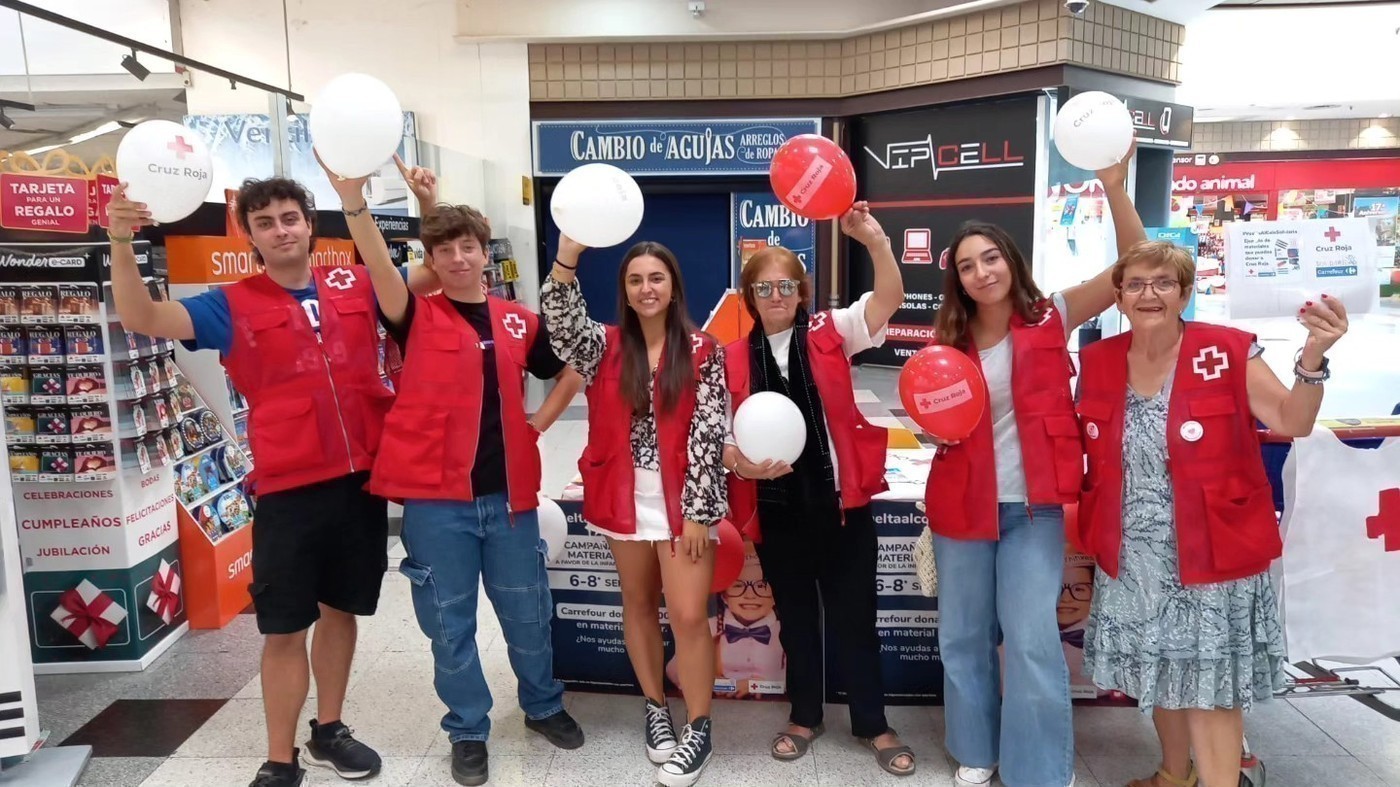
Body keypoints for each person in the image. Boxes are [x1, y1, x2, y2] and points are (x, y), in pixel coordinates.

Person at [107, 176, 438, 787]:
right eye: (266, 222)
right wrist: (122, 242)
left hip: (360, 480)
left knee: (343, 611)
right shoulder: (228, 304)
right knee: (285, 624)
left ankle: (329, 729)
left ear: (310, 223)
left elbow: (429, 276)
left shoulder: (356, 282)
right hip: (287, 488)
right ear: (250, 234)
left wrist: (428, 208)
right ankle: (280, 760)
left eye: (290, 217)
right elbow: (142, 315)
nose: (281, 230)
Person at [324, 159, 585, 787]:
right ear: (433, 260)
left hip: (512, 499)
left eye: (468, 246)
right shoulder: (413, 315)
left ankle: (542, 705)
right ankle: (468, 729)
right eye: (445, 250)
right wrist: (353, 203)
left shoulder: (519, 320)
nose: (459, 258)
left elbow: (574, 363)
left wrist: (538, 423)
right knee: (449, 624)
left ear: (483, 253)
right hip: (436, 506)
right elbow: (383, 269)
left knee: (528, 613)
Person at [1076, 241, 1348, 787]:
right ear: (1119, 297)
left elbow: (1290, 421)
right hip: (1133, 556)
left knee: (1210, 685)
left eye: (1164, 283)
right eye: (1136, 284)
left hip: (1212, 554)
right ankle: (1174, 775)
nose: (1149, 294)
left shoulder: (1225, 350)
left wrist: (1313, 357)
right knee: (1161, 672)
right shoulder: (1100, 360)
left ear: (1184, 292)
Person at [923, 151, 1146, 787]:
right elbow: (935, 418)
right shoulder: (946, 343)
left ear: (1010, 261)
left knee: (1029, 642)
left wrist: (1113, 187)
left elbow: (1135, 266)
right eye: (966, 265)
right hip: (962, 505)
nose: (980, 271)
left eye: (989, 258)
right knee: (962, 638)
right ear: (957, 280)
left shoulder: (1051, 317)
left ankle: (1040, 769)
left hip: (1033, 509)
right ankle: (975, 750)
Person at [721, 204, 912, 775]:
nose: (776, 296)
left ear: (802, 293)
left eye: (786, 286)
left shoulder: (832, 333)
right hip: (778, 513)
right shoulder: (729, 358)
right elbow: (717, 434)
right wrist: (739, 463)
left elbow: (888, 300)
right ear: (749, 296)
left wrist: (875, 241)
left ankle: (873, 723)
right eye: (764, 287)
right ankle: (804, 715)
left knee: (856, 618)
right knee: (798, 618)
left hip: (843, 508)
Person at [542, 237, 727, 787]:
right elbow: (559, 321)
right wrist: (568, 254)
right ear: (624, 290)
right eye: (635, 280)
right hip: (621, 501)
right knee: (639, 605)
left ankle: (699, 727)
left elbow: (709, 434)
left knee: (690, 615)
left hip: (681, 508)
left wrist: (697, 512)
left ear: (673, 288)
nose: (646, 289)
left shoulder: (703, 350)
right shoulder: (602, 346)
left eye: (656, 279)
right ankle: (655, 708)